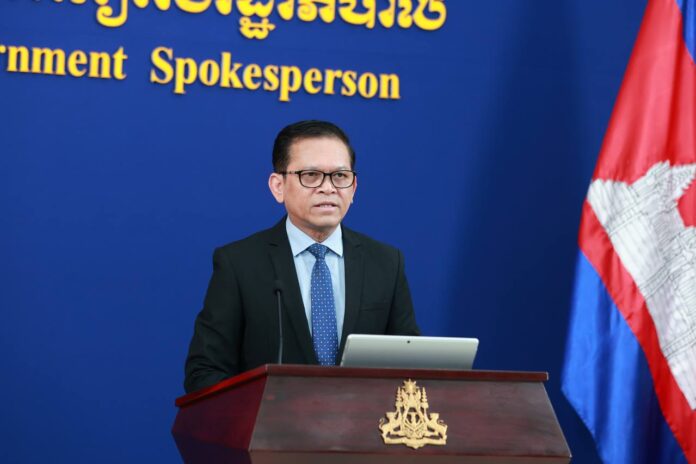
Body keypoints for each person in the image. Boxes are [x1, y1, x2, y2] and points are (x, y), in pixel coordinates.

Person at [184, 120, 420, 393]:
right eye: (311, 175)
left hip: (362, 419)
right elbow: (205, 372)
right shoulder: (239, 264)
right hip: (272, 419)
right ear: (278, 186)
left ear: (354, 188)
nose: (328, 188)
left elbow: (411, 365)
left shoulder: (386, 262)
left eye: (340, 176)